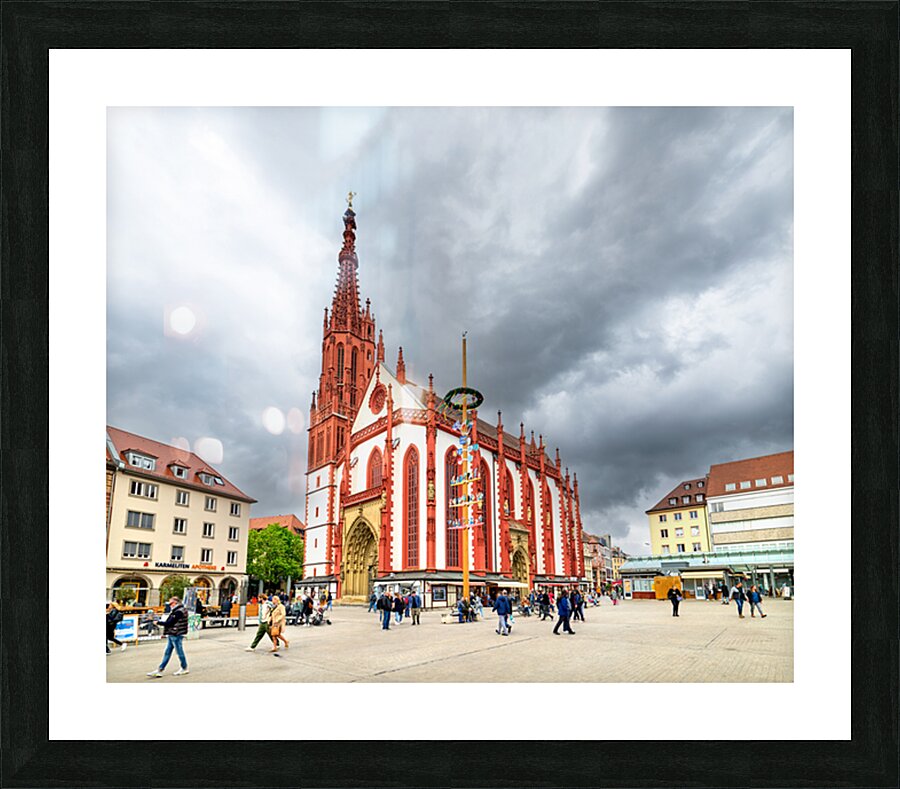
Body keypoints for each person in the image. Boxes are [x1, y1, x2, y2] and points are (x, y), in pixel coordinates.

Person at [147, 596, 189, 677]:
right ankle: (160, 670)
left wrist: (158, 622)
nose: (169, 605)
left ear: (175, 603)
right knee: (168, 652)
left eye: (171, 603)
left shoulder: (178, 611)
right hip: (173, 633)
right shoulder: (178, 610)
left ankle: (184, 668)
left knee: (179, 652)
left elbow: (170, 623)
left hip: (175, 633)